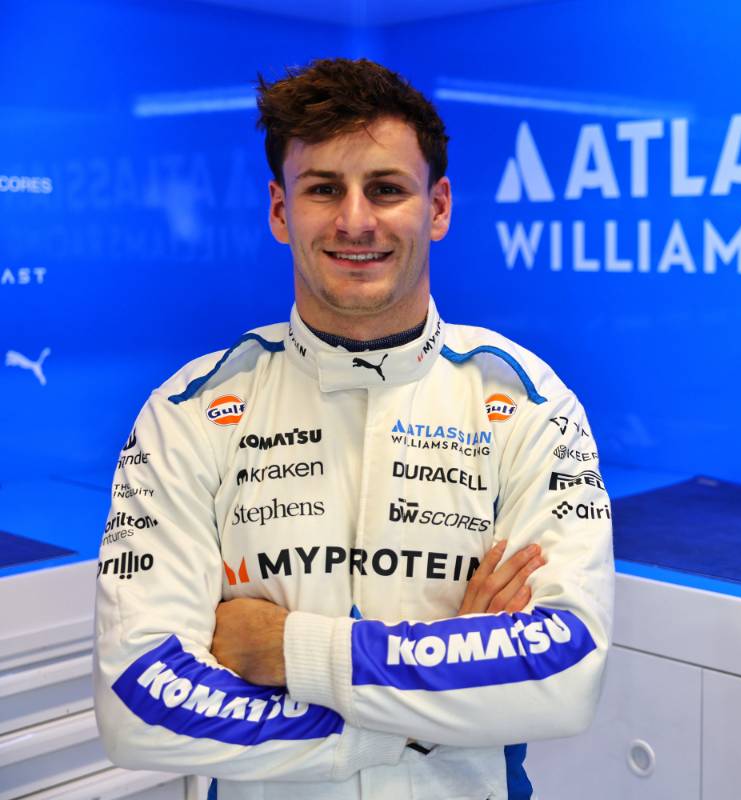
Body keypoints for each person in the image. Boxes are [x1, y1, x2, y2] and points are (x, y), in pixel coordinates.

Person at [93, 57, 614, 800]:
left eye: (386, 189)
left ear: (438, 207)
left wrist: (287, 649)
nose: (356, 220)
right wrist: (429, 704)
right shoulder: (189, 412)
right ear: (281, 211)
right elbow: (138, 704)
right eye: (323, 189)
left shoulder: (528, 402)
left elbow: (563, 673)